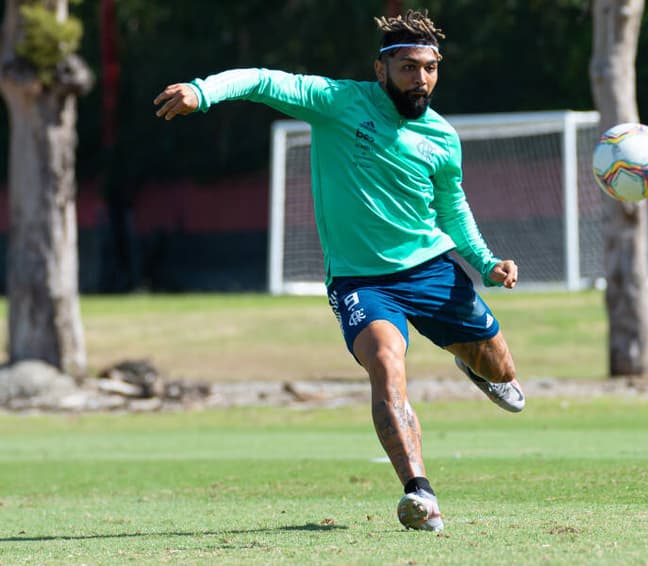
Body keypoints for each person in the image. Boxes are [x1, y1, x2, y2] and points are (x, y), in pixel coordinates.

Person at [154, 9, 524, 533]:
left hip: (431, 271)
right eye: (408, 67)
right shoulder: (337, 102)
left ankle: (471, 363)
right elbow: (262, 80)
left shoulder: (442, 138)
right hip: (361, 282)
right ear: (381, 70)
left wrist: (487, 263)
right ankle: (420, 492)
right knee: (386, 364)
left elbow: (453, 209)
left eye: (430, 68)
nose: (420, 79)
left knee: (503, 374)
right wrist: (203, 91)